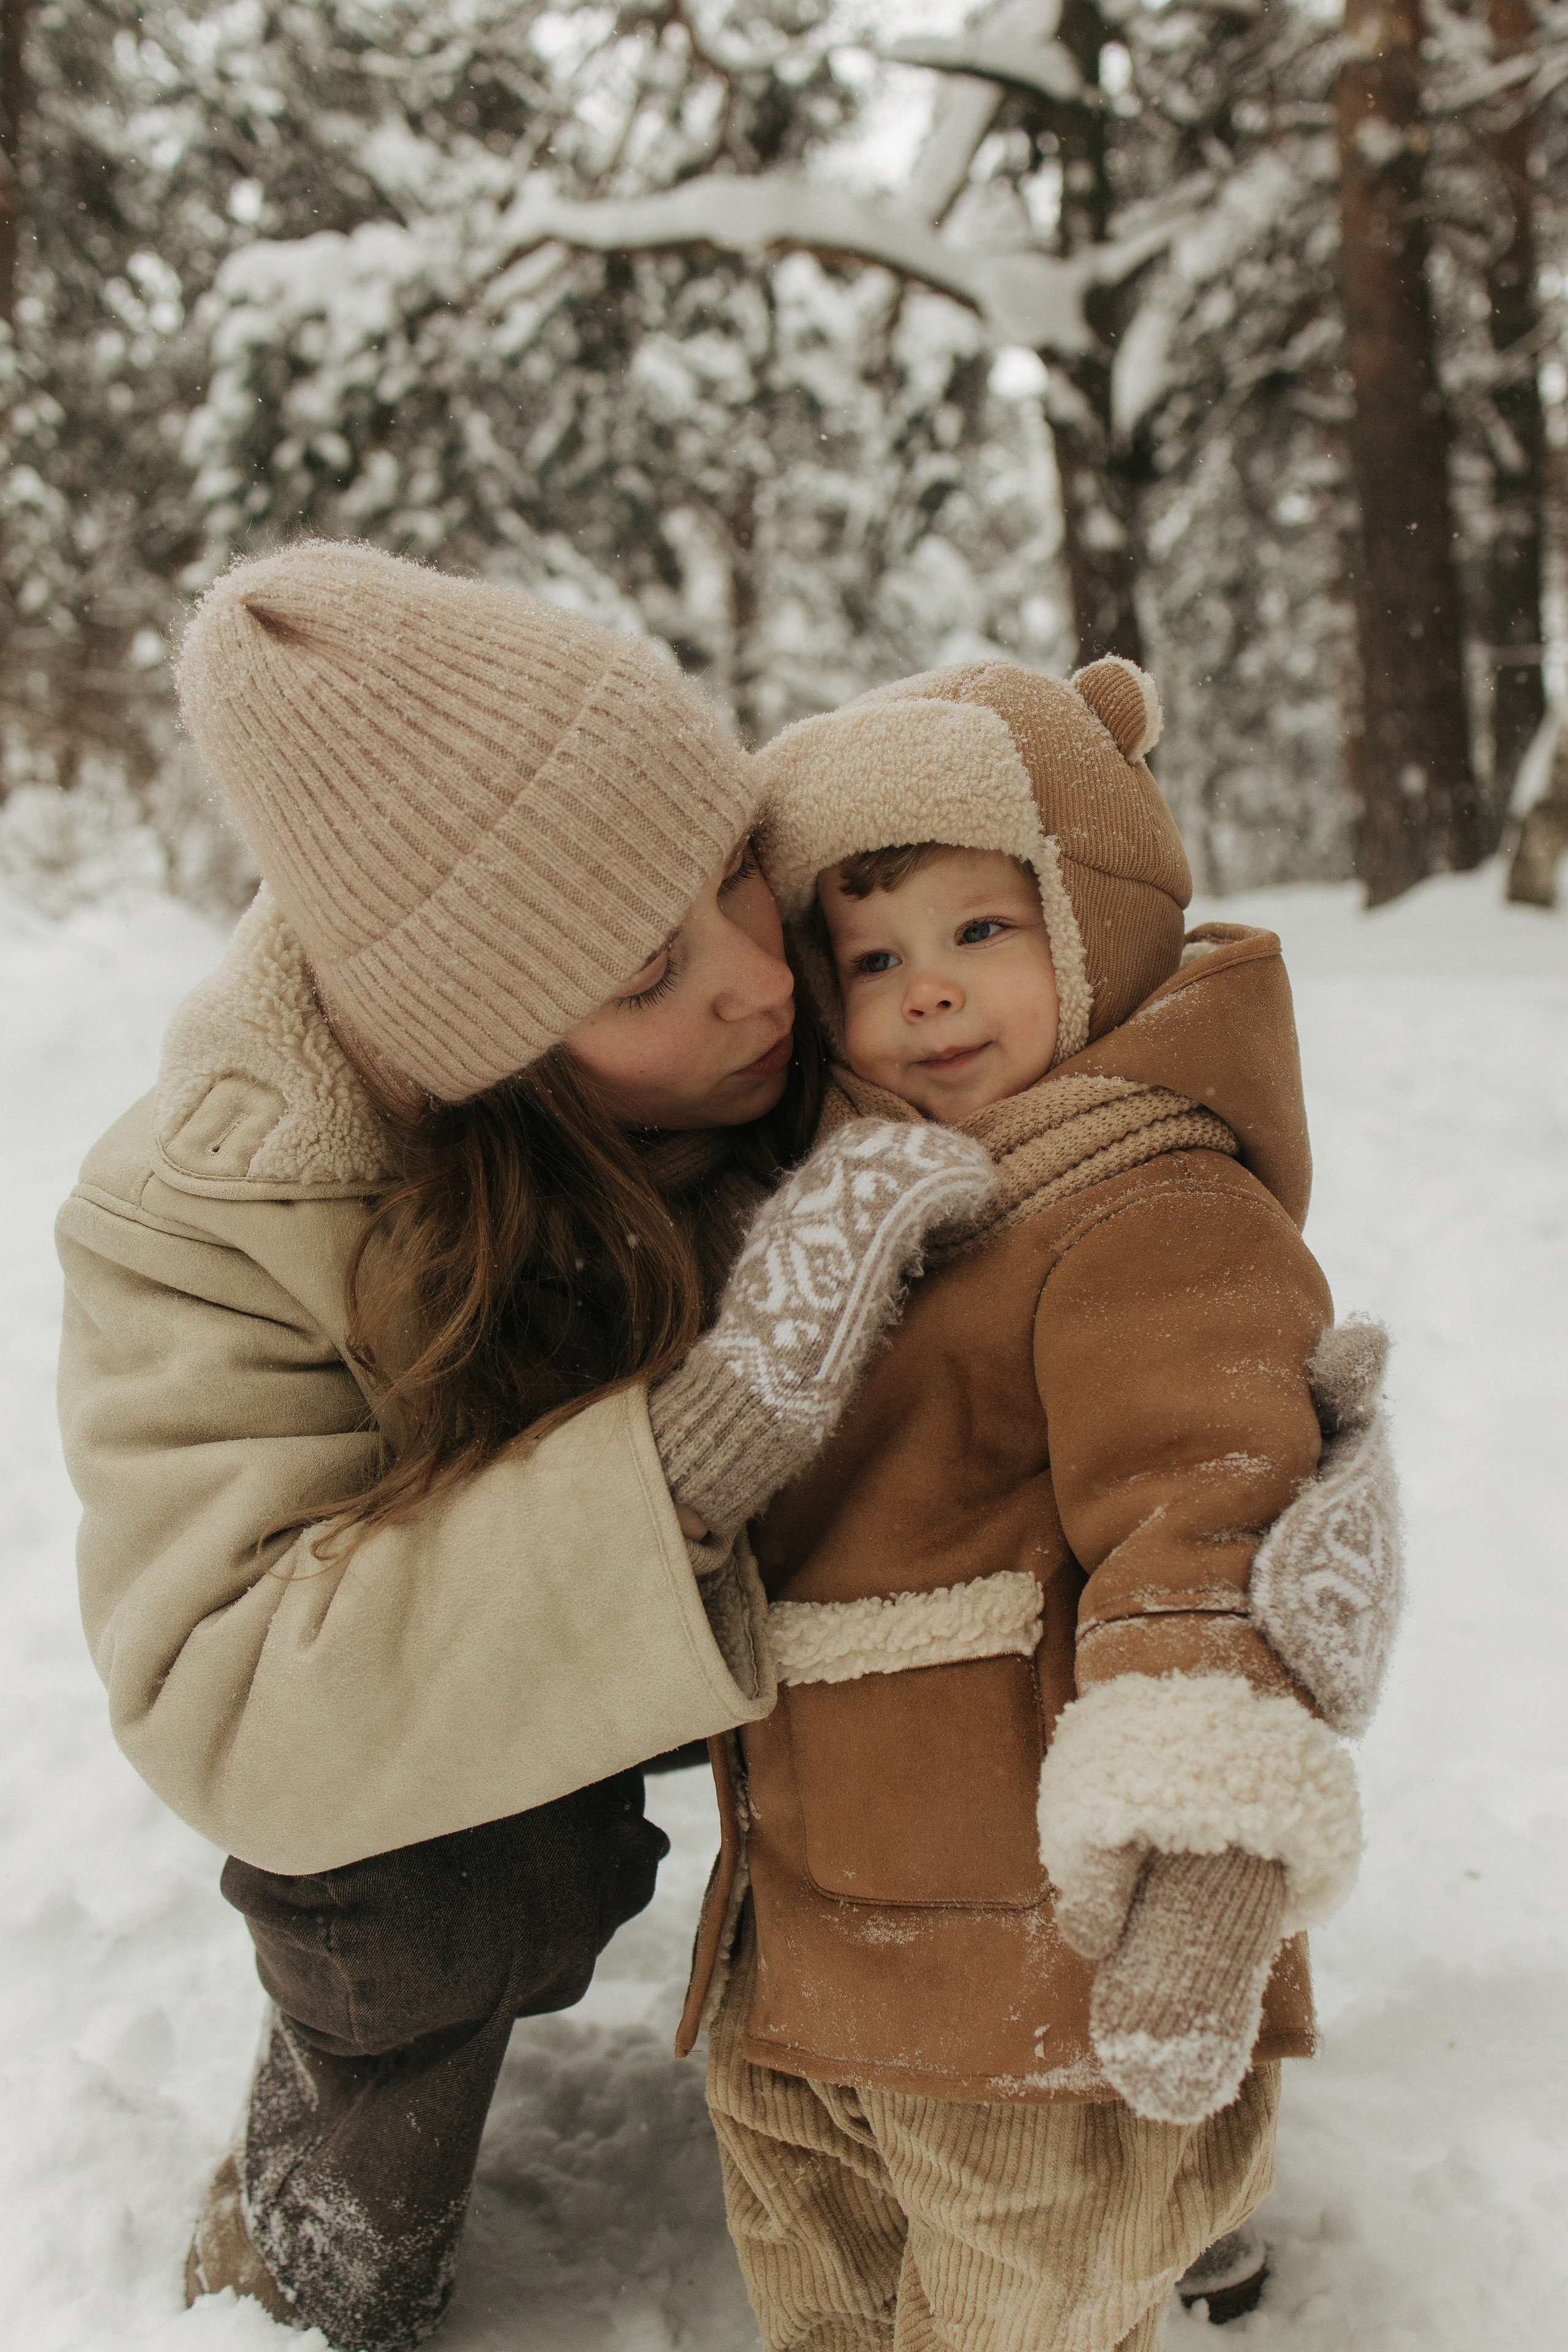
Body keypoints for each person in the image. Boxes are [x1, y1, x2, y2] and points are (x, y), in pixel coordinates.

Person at [53, 541, 993, 2352]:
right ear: (489, 1055)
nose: (754, 983)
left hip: (851, 1589)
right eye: (645, 979)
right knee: (428, 1897)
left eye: (734, 870)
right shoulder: (205, 1212)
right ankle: (317, 2231)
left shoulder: (847, 950)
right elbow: (234, 1690)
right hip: (513, 1680)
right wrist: (693, 1464)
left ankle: (1098, 2102)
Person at [654, 655, 1396, 2352]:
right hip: (819, 1955)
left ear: (1093, 913)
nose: (928, 994)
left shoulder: (1149, 1207)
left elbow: (1216, 1540)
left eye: (982, 930)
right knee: (825, 2298)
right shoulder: (847, 1211)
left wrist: (1203, 1883)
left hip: (1037, 1974)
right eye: (873, 958)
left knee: (1024, 2313)